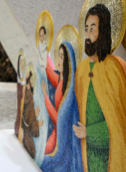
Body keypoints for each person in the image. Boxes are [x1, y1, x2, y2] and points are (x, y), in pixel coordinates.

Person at [73, 4, 126, 171]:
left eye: (92, 29)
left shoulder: (114, 69)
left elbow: (119, 124)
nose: (88, 35)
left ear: (102, 32)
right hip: (87, 154)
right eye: (86, 29)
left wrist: (89, 133)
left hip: (108, 156)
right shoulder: (81, 70)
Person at [40, 42, 83, 172]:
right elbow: (51, 74)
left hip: (61, 136)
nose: (58, 60)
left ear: (68, 62)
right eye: (58, 56)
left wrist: (45, 97)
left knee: (45, 159)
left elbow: (58, 120)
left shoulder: (68, 92)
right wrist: (44, 53)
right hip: (56, 131)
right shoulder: (61, 80)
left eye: (62, 57)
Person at [32, 26, 49, 166]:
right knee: (37, 111)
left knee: (43, 115)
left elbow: (46, 71)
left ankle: (41, 150)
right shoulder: (38, 50)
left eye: (43, 35)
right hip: (38, 85)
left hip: (44, 85)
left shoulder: (46, 53)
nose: (41, 37)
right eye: (40, 35)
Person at [21, 70, 43, 159]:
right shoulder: (27, 94)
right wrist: (36, 123)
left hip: (28, 128)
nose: (32, 80)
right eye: (31, 77)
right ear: (29, 79)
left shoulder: (30, 91)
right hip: (27, 132)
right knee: (31, 153)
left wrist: (34, 114)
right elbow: (25, 117)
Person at [15, 53, 25, 137]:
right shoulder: (20, 80)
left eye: (23, 63)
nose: (22, 65)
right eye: (20, 63)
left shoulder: (24, 79)